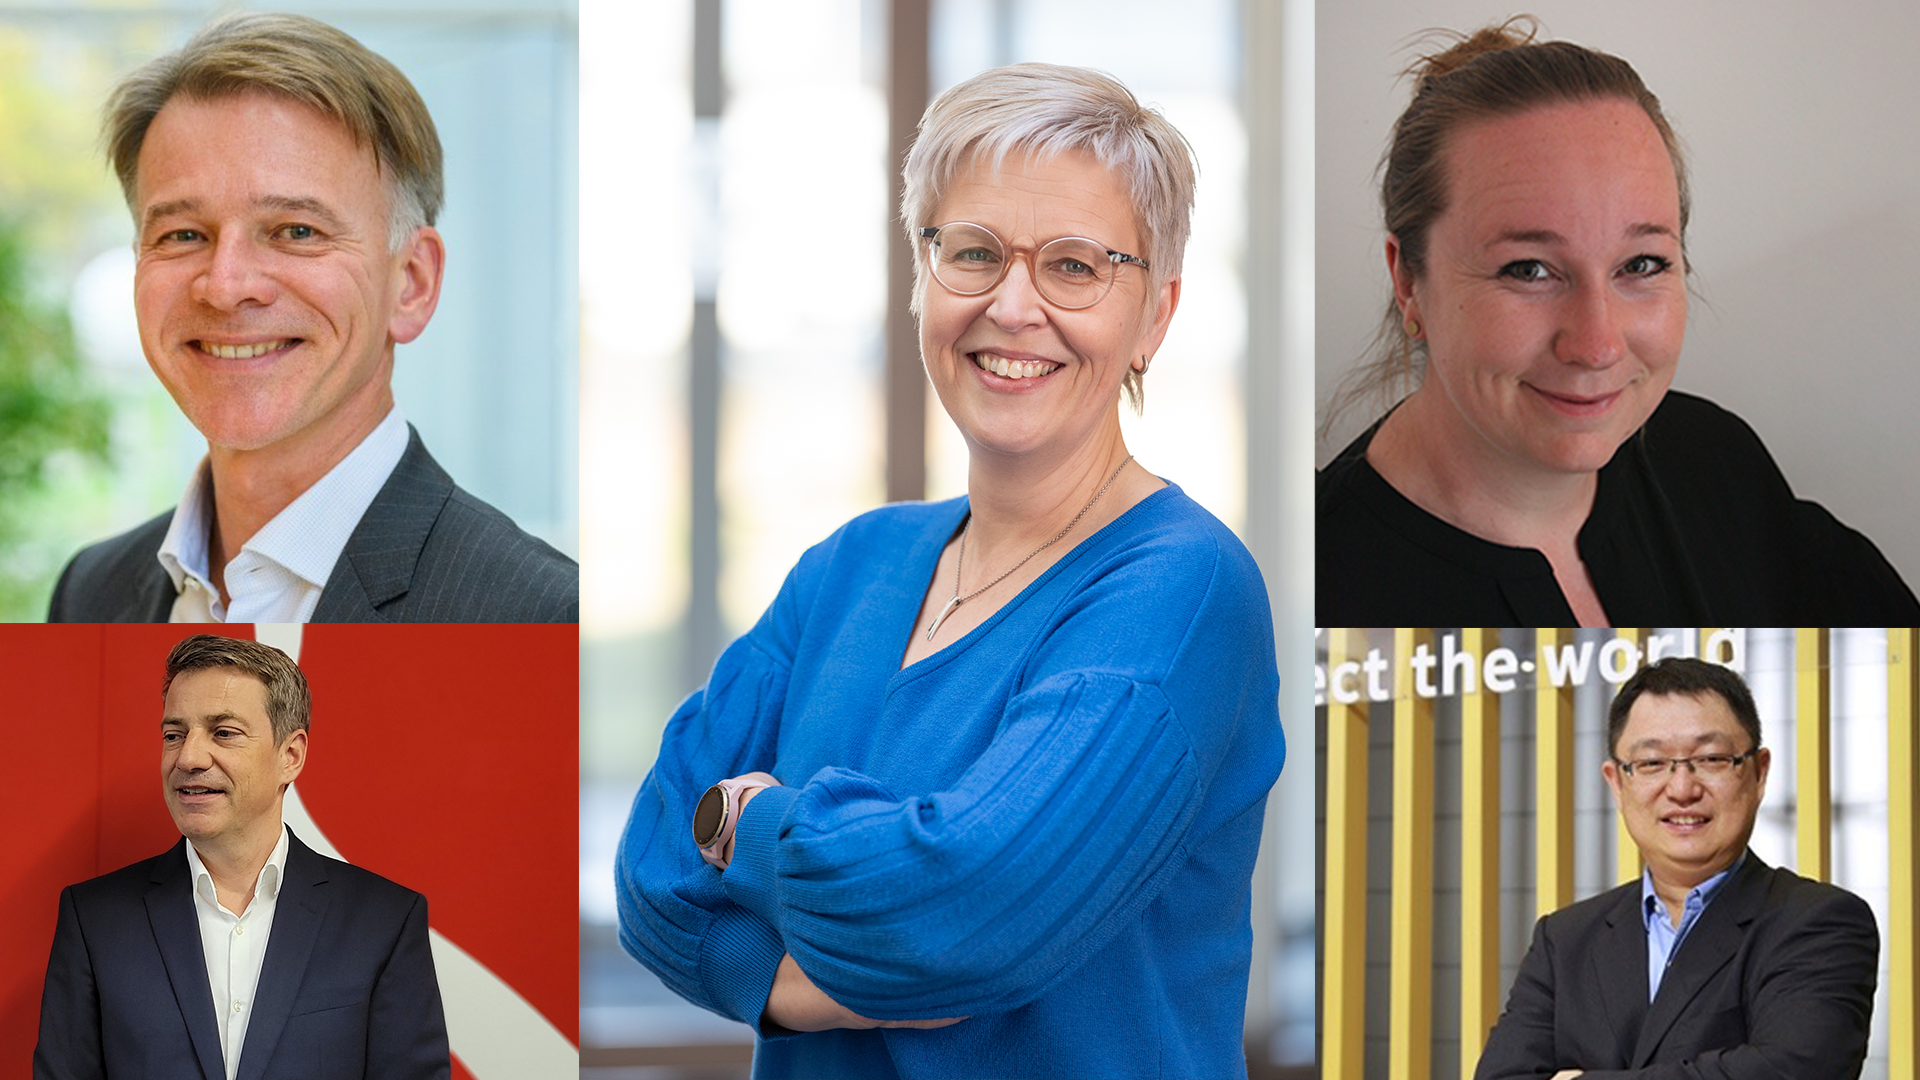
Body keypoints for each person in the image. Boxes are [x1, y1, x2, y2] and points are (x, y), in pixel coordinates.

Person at [615, 63, 1285, 1079]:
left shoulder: (1182, 591)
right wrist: (801, 988)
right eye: (973, 252)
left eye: (1074, 267)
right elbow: (650, 870)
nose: (1013, 307)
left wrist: (749, 825)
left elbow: (962, 914)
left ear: (1156, 314)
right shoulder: (853, 566)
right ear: (923, 279)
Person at [1315, 20, 1919, 625]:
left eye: (1640, 264)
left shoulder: (1713, 463)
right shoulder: (1312, 592)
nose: (1598, 346)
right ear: (1408, 281)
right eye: (1528, 269)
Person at [47, 12, 576, 623]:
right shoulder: (91, 593)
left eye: (296, 231)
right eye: (184, 234)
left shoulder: (541, 617)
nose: (226, 286)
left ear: (411, 283)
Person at [33, 634, 450, 1079]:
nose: (189, 757)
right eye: (174, 735)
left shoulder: (384, 920)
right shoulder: (94, 919)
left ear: (290, 756)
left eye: (224, 733)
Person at [1474, 657, 1877, 1079]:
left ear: (1759, 773)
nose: (1682, 789)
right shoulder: (1565, 939)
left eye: (1712, 758)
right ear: (1617, 783)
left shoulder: (1819, 922)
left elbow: (1796, 1069)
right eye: (1651, 763)